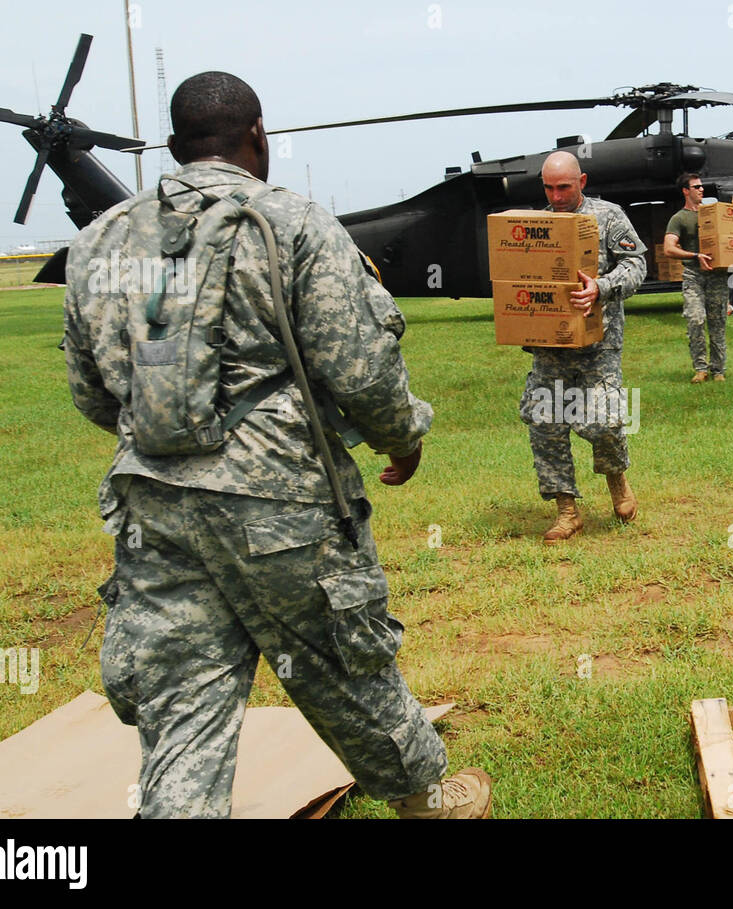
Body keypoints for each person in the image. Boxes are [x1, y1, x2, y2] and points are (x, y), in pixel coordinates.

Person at [62, 71, 490, 818]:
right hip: (281, 506)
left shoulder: (101, 238)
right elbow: (360, 366)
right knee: (345, 665)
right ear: (259, 136)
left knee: (181, 701)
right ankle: (431, 801)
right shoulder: (294, 224)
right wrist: (402, 437)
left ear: (173, 147)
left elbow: (94, 392)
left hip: (154, 507)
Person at [519, 151, 646, 543]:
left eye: (564, 187)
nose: (556, 197)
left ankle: (616, 478)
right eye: (549, 188)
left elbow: (637, 263)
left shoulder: (608, 217)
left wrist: (601, 287)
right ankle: (566, 510)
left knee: (605, 421)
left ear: (582, 182)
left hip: (599, 345)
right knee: (545, 423)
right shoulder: (534, 227)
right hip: (549, 348)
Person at [663, 173, 729, 383]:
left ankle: (718, 370)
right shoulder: (679, 218)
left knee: (718, 323)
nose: (701, 190)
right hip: (693, 276)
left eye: (702, 187)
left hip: (717, 276)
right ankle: (700, 369)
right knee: (695, 319)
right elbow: (668, 248)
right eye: (696, 187)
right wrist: (694, 255)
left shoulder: (711, 214)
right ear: (685, 190)